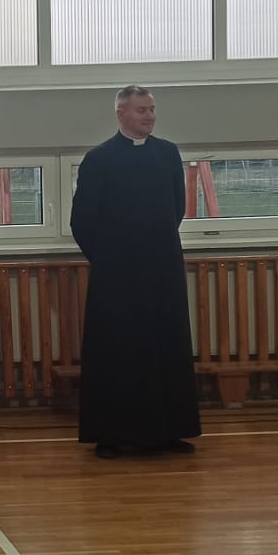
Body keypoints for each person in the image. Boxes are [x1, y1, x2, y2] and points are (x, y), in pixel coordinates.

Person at [71, 86, 202, 458]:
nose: (149, 116)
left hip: (162, 271)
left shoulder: (168, 153)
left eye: (152, 109)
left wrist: (154, 247)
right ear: (121, 114)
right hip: (116, 277)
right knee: (117, 352)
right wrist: (109, 259)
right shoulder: (99, 159)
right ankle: (110, 435)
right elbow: (82, 220)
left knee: (166, 348)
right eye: (142, 110)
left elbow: (176, 209)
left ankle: (169, 432)